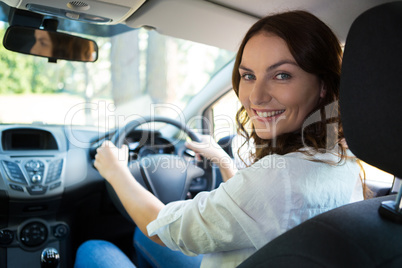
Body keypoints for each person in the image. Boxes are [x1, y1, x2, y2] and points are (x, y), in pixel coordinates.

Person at [74, 10, 364, 268]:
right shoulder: (342, 161)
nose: (256, 97)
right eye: (248, 76)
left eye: (282, 75)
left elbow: (162, 229)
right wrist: (226, 163)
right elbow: (267, 211)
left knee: (94, 249)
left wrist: (116, 171)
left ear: (324, 85)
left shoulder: (276, 180)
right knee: (139, 235)